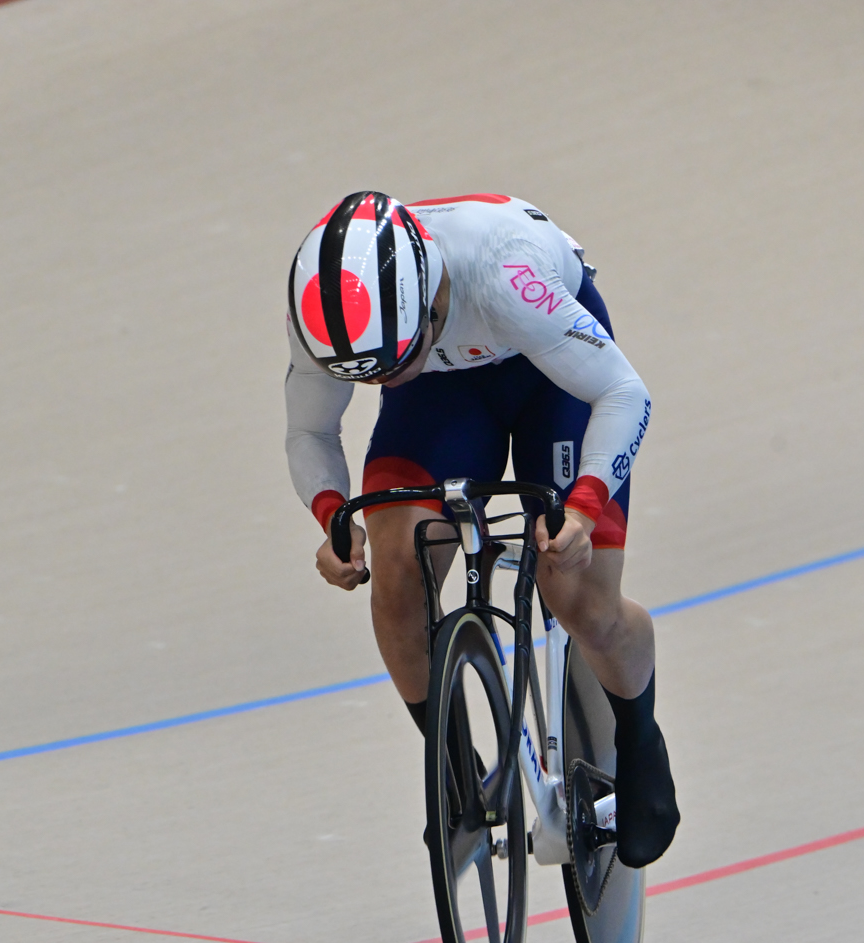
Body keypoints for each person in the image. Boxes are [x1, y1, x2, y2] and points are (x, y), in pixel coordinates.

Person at [283, 191, 678, 867]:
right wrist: (331, 516)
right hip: (442, 396)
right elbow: (310, 430)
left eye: (393, 365)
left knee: (578, 595)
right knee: (398, 581)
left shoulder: (504, 277)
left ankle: (641, 737)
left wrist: (583, 504)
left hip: (549, 376)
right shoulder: (327, 308)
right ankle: (455, 767)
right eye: (373, 374)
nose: (386, 380)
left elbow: (624, 393)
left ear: (433, 300)